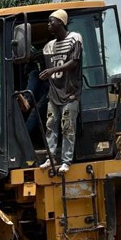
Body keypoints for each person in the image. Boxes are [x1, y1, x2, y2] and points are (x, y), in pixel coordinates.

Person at [38, 9, 82, 174]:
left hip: (70, 93)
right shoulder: (48, 47)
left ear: (61, 22)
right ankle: (51, 157)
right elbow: (51, 70)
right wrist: (46, 74)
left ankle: (66, 160)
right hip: (54, 93)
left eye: (52, 21)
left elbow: (74, 62)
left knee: (67, 127)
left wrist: (50, 71)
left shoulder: (74, 39)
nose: (49, 24)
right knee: (51, 125)